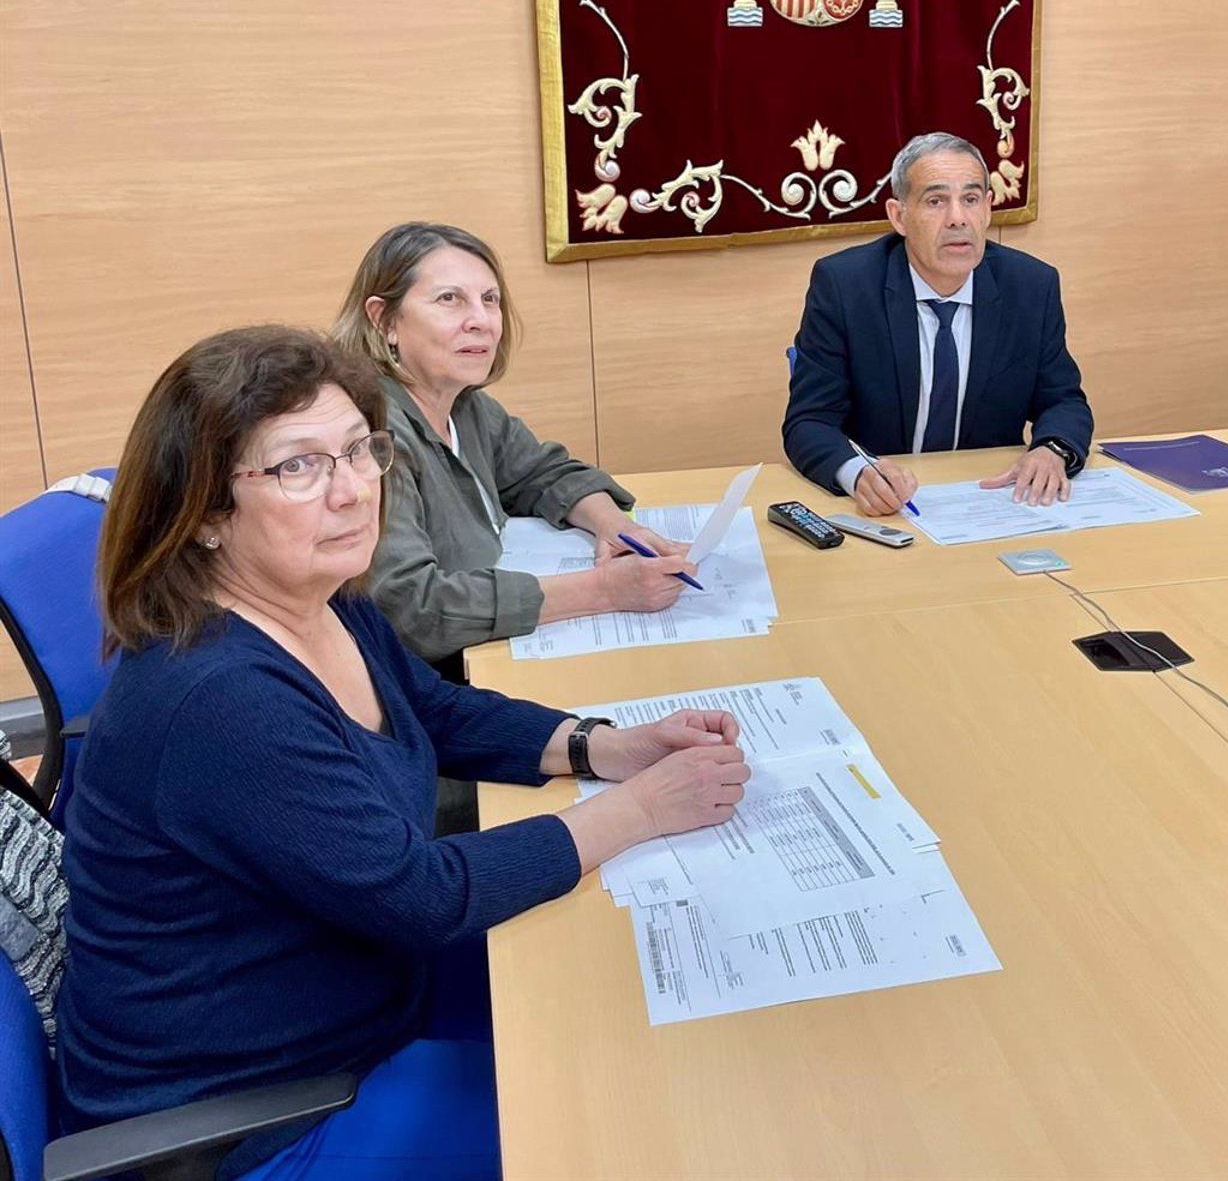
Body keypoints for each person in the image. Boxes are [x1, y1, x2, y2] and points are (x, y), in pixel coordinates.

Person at [57, 326, 748, 1178]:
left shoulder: (322, 600)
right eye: (298, 467)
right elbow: (421, 895)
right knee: (634, 1122)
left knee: (641, 1002)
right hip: (256, 1106)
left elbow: (434, 708)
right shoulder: (218, 698)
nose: (351, 492)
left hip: (357, 982)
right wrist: (640, 809)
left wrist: (603, 746)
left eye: (358, 451)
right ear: (202, 514)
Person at [333, 222, 689, 670]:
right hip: (427, 683)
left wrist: (616, 528)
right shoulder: (369, 436)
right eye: (450, 299)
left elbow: (545, 473)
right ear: (384, 321)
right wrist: (606, 590)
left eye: (490, 300)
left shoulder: (466, 406)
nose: (481, 321)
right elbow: (414, 608)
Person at [783, 131, 1094, 516]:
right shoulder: (846, 287)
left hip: (991, 501)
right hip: (889, 505)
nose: (958, 219)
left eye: (971, 199)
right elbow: (809, 420)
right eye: (936, 201)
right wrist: (857, 474)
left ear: (988, 208)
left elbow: (1063, 401)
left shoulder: (1031, 287)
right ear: (898, 216)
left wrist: (1053, 449)